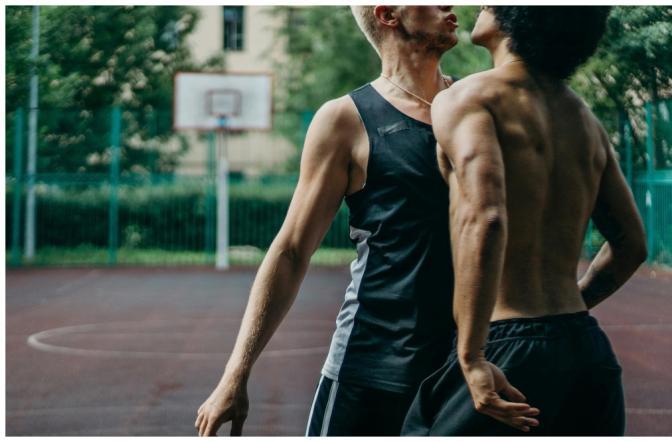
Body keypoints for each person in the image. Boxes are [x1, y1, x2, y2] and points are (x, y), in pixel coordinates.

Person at [194, 6, 537, 437]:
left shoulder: (479, 106)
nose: (449, 5)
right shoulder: (346, 120)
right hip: (369, 366)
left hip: (466, 371)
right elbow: (291, 250)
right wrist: (235, 372)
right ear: (387, 14)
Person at [401, 6, 647, 436]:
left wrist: (473, 355)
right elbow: (631, 245)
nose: (480, 6)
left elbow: (487, 217)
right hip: (585, 349)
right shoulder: (585, 120)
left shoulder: (468, 98)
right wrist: (568, 312)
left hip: (505, 349)